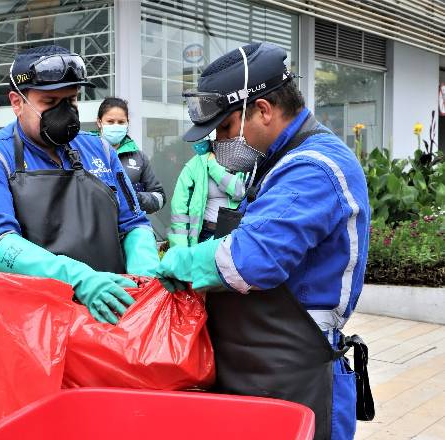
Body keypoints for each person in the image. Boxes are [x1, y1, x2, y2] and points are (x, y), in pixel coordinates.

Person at [156, 43, 371, 440]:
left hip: (295, 375)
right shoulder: (276, 161)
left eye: (223, 128)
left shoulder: (313, 168)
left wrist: (182, 262)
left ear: (264, 110)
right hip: (262, 366)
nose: (217, 143)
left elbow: (250, 259)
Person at [0, 45, 160, 325]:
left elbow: (134, 223)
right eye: (50, 103)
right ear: (17, 102)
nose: (64, 112)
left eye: (71, 101)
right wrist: (79, 278)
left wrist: (145, 278)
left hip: (110, 310)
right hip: (30, 324)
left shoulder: (100, 150)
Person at [168, 135, 246, 247]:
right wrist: (180, 248)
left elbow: (239, 192)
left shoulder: (244, 162)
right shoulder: (194, 164)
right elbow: (179, 208)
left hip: (235, 234)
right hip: (205, 234)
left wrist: (214, 167)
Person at [92, 97, 165, 214]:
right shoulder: (85, 151)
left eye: (121, 122)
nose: (116, 126)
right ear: (99, 122)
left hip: (130, 226)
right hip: (94, 226)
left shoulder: (139, 158)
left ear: (127, 123)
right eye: (110, 121)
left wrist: (134, 197)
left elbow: (159, 197)